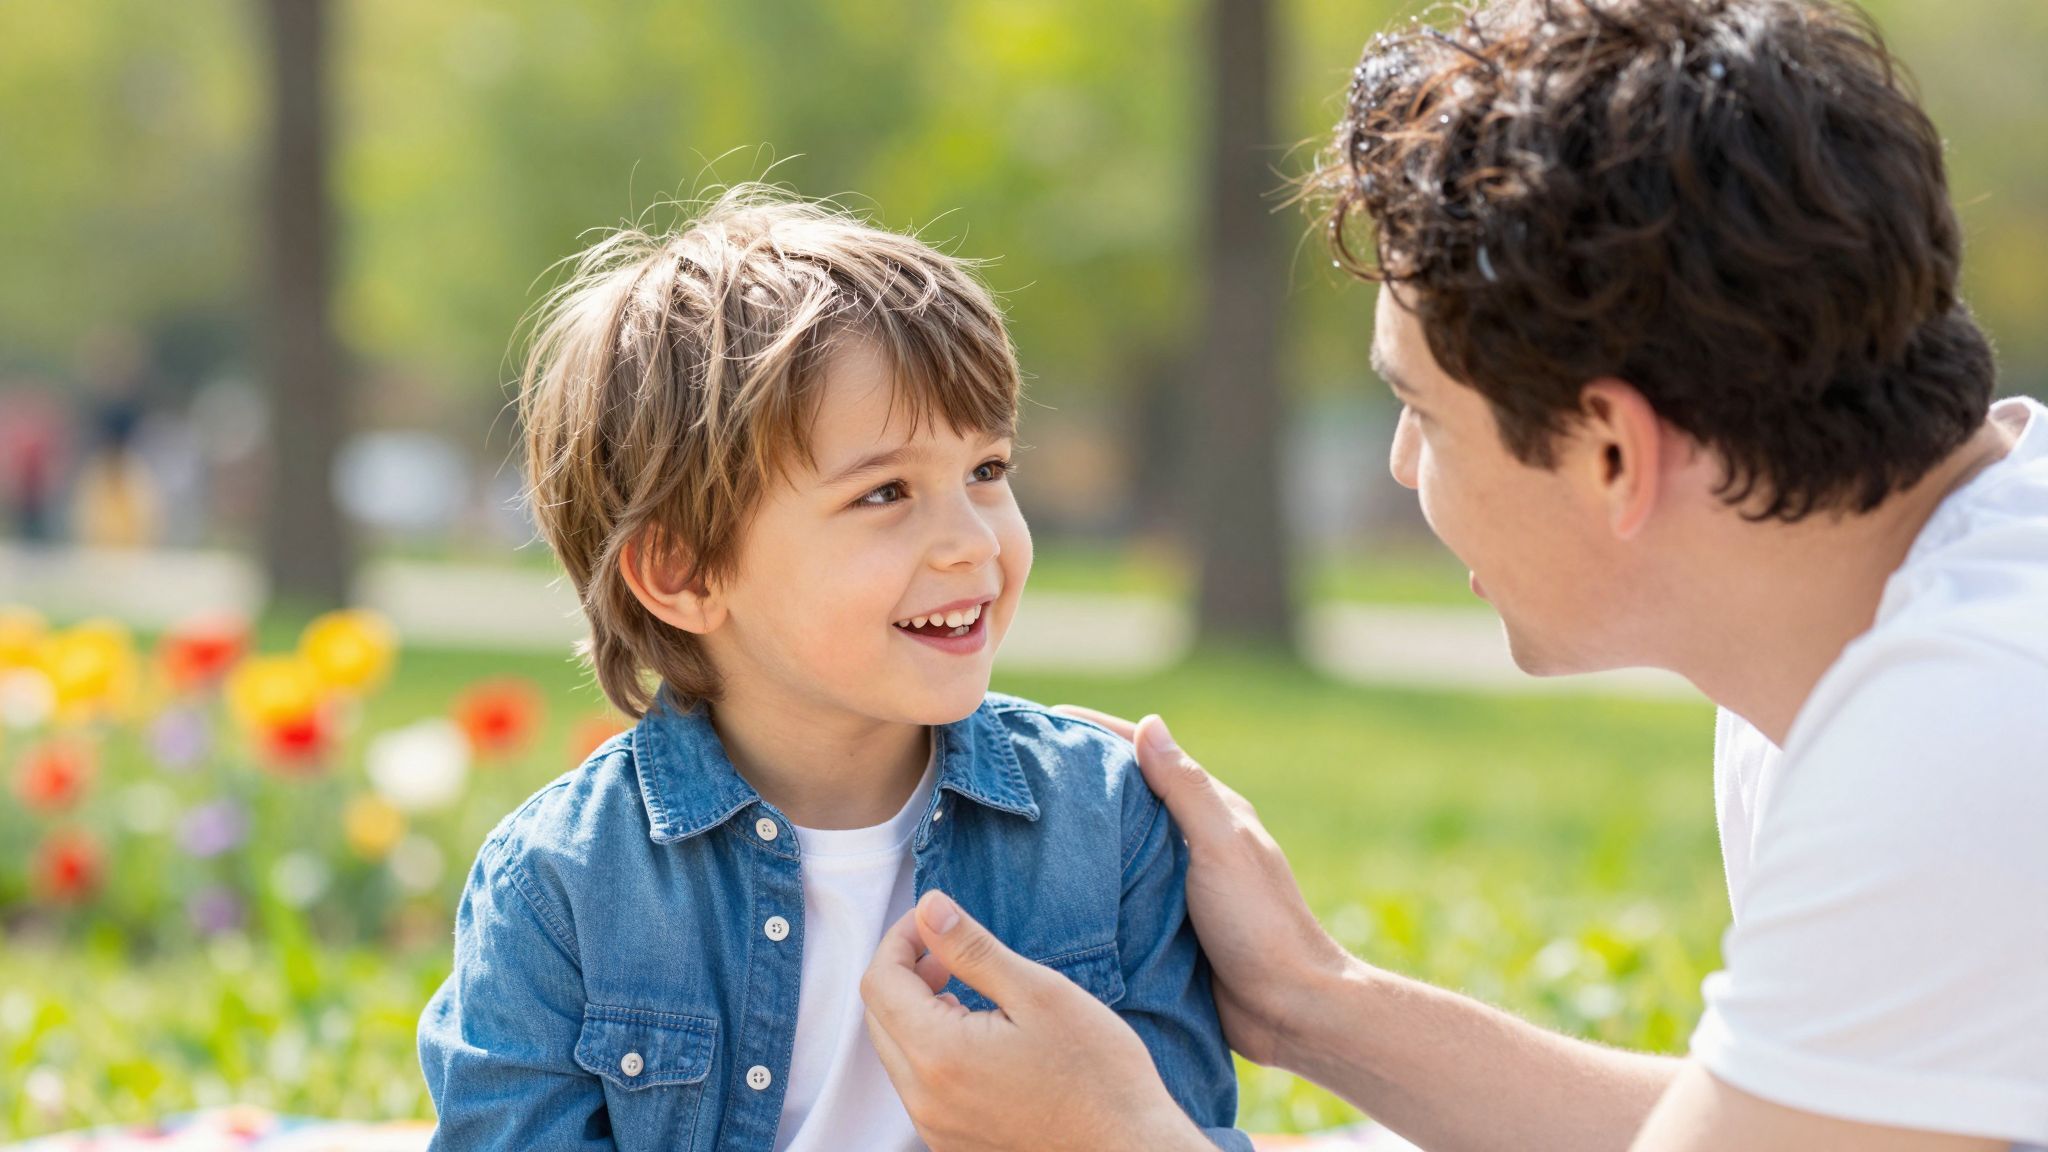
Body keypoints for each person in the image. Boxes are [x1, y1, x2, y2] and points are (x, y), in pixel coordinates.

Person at [860, 2, 2048, 1150]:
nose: (1399, 462)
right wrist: (1307, 1000)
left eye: (1420, 410)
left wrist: (1114, 1142)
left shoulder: (1958, 739)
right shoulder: (1870, 629)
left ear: (1611, 453)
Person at [415, 189, 1249, 1151]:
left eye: (986, 470)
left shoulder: (1106, 828)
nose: (972, 544)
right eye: (886, 492)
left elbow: (1188, 1133)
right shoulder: (561, 885)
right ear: (682, 571)